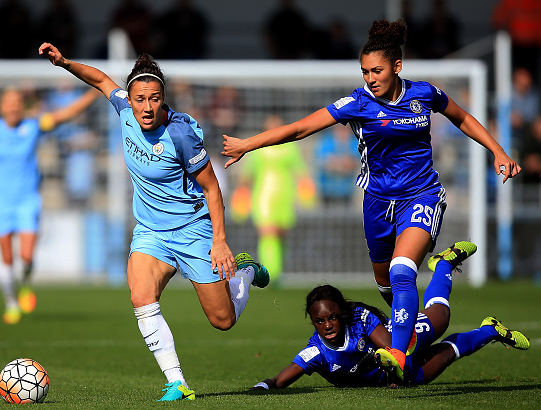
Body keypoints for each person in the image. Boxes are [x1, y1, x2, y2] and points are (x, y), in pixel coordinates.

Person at [222, 19, 521, 384]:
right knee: (386, 286)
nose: (370, 78)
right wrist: (246, 145)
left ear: (397, 66)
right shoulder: (357, 103)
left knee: (401, 270)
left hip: (421, 194)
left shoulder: (425, 94)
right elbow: (300, 128)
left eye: (376, 70)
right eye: (364, 71)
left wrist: (498, 151)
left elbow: (461, 117)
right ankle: (443, 270)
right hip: (377, 203)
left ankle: (396, 353)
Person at [38, 42, 270, 401]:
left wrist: (219, 241)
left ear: (164, 99)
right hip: (151, 232)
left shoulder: (180, 134)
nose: (146, 107)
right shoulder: (124, 110)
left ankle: (246, 272)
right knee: (141, 296)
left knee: (223, 321)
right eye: (140, 98)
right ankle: (177, 382)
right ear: (129, 99)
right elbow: (100, 78)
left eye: (154, 98)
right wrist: (65, 63)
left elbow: (211, 189)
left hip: (193, 230)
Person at [251, 242, 530, 390]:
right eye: (320, 321)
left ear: (342, 312)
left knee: (441, 317)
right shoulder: (316, 351)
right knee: (447, 355)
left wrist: (393, 375)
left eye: (333, 317)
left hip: (402, 342)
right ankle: (491, 330)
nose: (328, 325)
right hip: (392, 376)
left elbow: (392, 348)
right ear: (313, 323)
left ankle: (444, 263)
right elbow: (279, 380)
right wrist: (262, 387)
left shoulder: (359, 319)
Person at [0, 86, 100, 324]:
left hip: (27, 200)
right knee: (7, 258)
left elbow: (65, 114)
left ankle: (26, 283)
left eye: (17, 102)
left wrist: (94, 93)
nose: (13, 107)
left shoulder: (34, 127)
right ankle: (11, 303)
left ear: (23, 107)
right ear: (1, 107)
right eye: (8, 102)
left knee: (26, 257)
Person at [232, 114, 315, 284]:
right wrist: (241, 193)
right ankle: (271, 273)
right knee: (267, 233)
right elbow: (248, 174)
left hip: (284, 194)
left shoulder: (290, 148)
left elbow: (300, 170)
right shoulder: (260, 148)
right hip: (264, 195)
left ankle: (278, 271)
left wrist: (306, 188)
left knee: (281, 233)